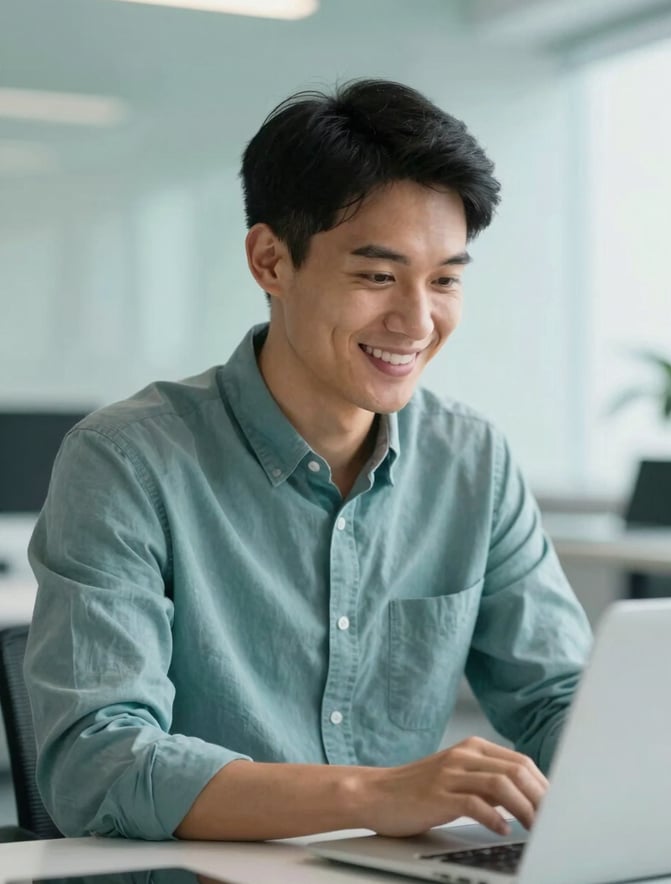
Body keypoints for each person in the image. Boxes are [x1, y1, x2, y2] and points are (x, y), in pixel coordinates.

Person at [24, 79, 592, 843]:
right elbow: (98, 763)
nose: (417, 321)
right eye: (377, 276)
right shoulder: (126, 462)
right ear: (270, 262)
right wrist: (370, 795)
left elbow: (558, 698)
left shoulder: (472, 461)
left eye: (447, 279)